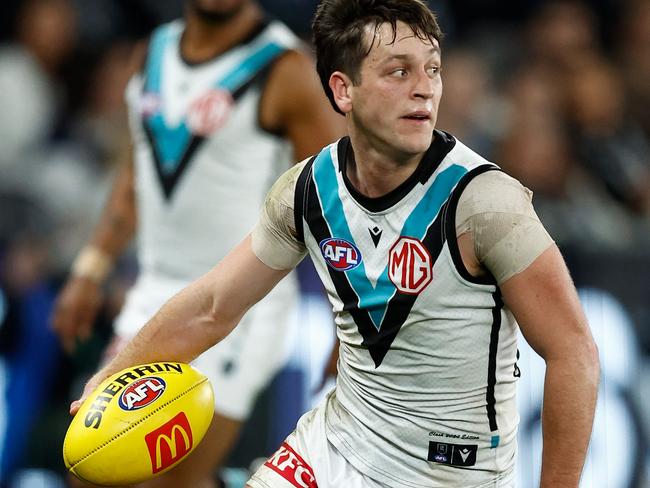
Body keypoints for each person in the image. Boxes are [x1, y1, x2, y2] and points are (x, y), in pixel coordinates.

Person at [70, 0, 600, 487]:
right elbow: (211, 306)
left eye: (432, 69)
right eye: (399, 71)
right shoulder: (307, 189)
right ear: (343, 90)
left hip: (451, 474)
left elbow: (573, 351)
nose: (425, 88)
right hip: (337, 445)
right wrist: (109, 377)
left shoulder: (486, 203)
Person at [52, 0, 344, 486]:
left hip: (239, 305)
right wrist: (90, 268)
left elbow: (336, 201)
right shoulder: (150, 53)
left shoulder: (286, 67)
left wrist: (349, 320)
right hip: (155, 298)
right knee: (92, 469)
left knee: (172, 481)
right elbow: (135, 176)